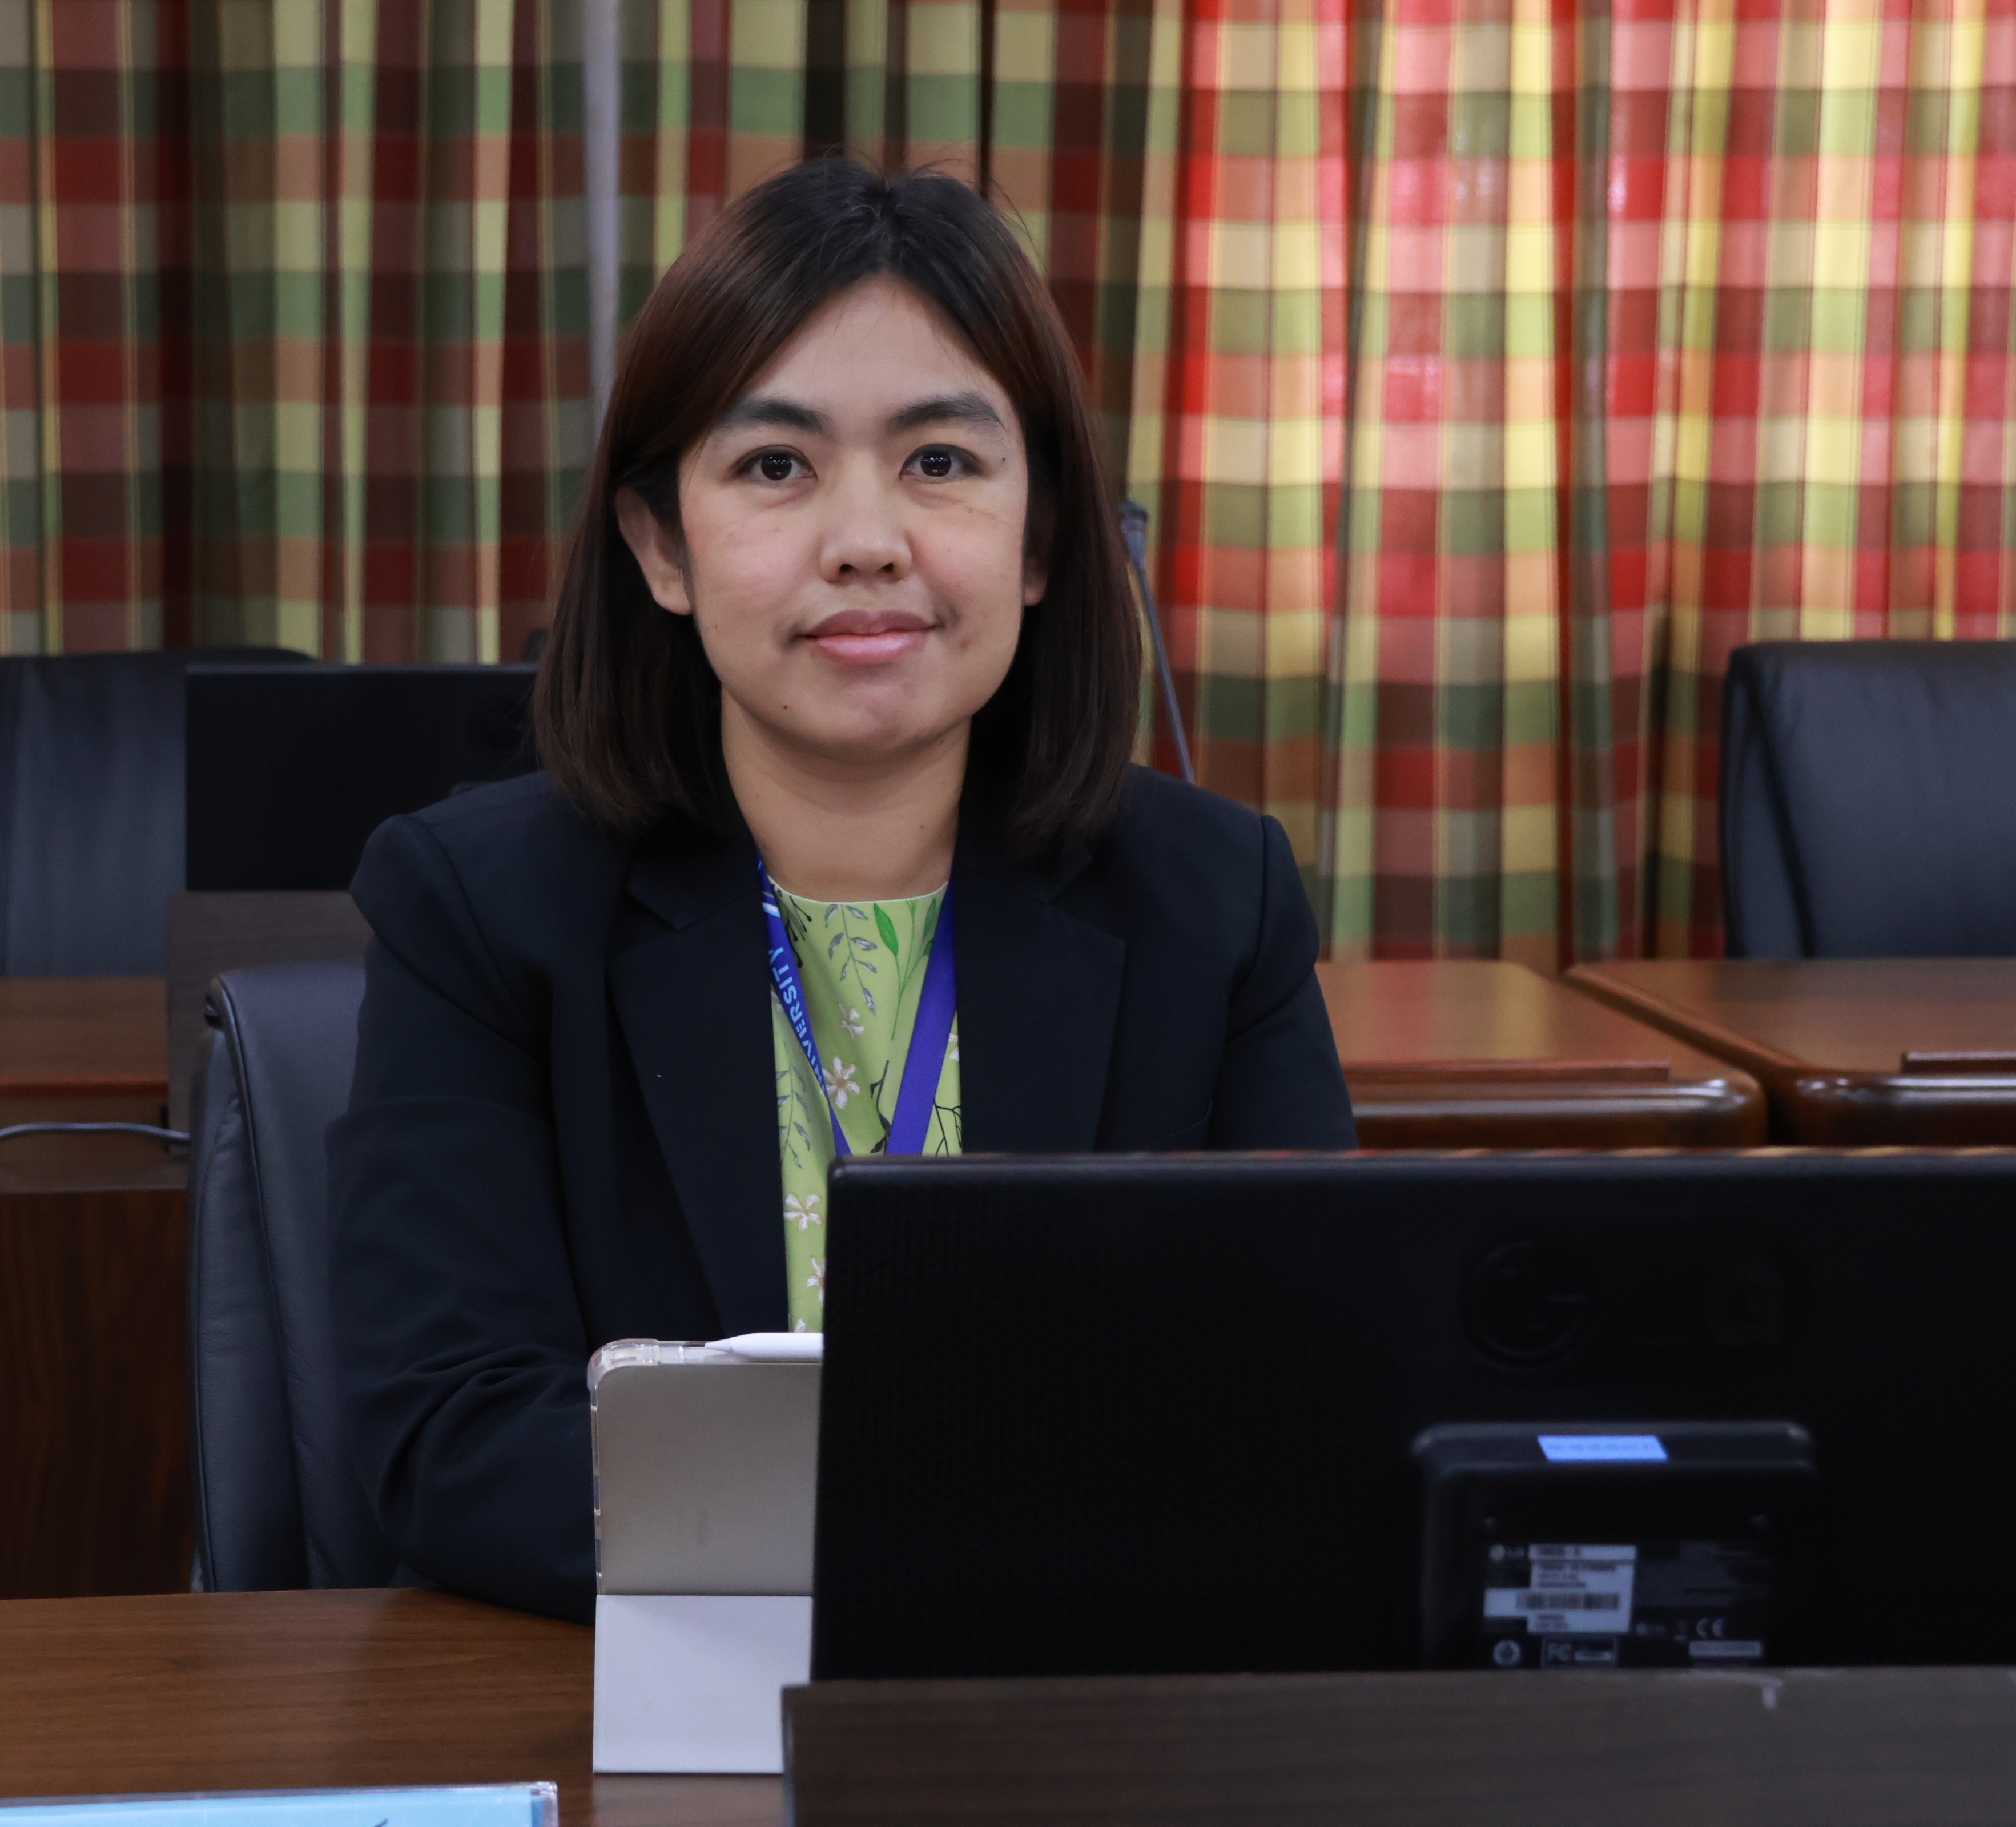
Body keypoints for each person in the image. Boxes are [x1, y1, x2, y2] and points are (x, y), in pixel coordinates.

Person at [327, 157, 1355, 1621]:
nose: (868, 540)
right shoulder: (479, 909)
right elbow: (457, 1437)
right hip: (641, 1679)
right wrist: (962, 1519)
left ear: (1041, 538)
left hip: (1076, 1690)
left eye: (940, 462)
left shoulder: (1216, 901)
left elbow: (1305, 1388)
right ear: (662, 548)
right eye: (776, 467)